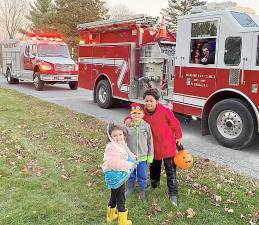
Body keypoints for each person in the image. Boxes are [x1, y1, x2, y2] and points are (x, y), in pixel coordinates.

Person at [125, 88, 183, 206]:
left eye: (151, 101)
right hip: (154, 148)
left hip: (168, 147)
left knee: (170, 171)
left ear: (157, 101)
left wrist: (178, 136)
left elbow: (175, 124)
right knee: (154, 169)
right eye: (146, 101)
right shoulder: (143, 112)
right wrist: (127, 120)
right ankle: (154, 184)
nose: (149, 103)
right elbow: (132, 116)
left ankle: (173, 193)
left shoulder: (165, 111)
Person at [102, 123, 136, 225]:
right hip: (116, 176)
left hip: (117, 175)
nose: (118, 137)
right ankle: (123, 221)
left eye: (120, 134)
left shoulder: (121, 144)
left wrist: (133, 157)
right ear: (110, 137)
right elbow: (114, 163)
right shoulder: (112, 147)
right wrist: (129, 165)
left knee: (114, 196)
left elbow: (128, 153)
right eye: (115, 135)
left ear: (124, 135)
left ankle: (111, 216)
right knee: (121, 197)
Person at [125, 103, 154, 202]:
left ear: (143, 114)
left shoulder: (146, 126)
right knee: (130, 173)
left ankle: (142, 191)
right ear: (130, 114)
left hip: (142, 157)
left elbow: (150, 141)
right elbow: (123, 140)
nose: (136, 115)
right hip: (131, 157)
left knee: (142, 175)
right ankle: (130, 188)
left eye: (139, 113)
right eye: (134, 113)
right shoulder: (128, 126)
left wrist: (150, 155)